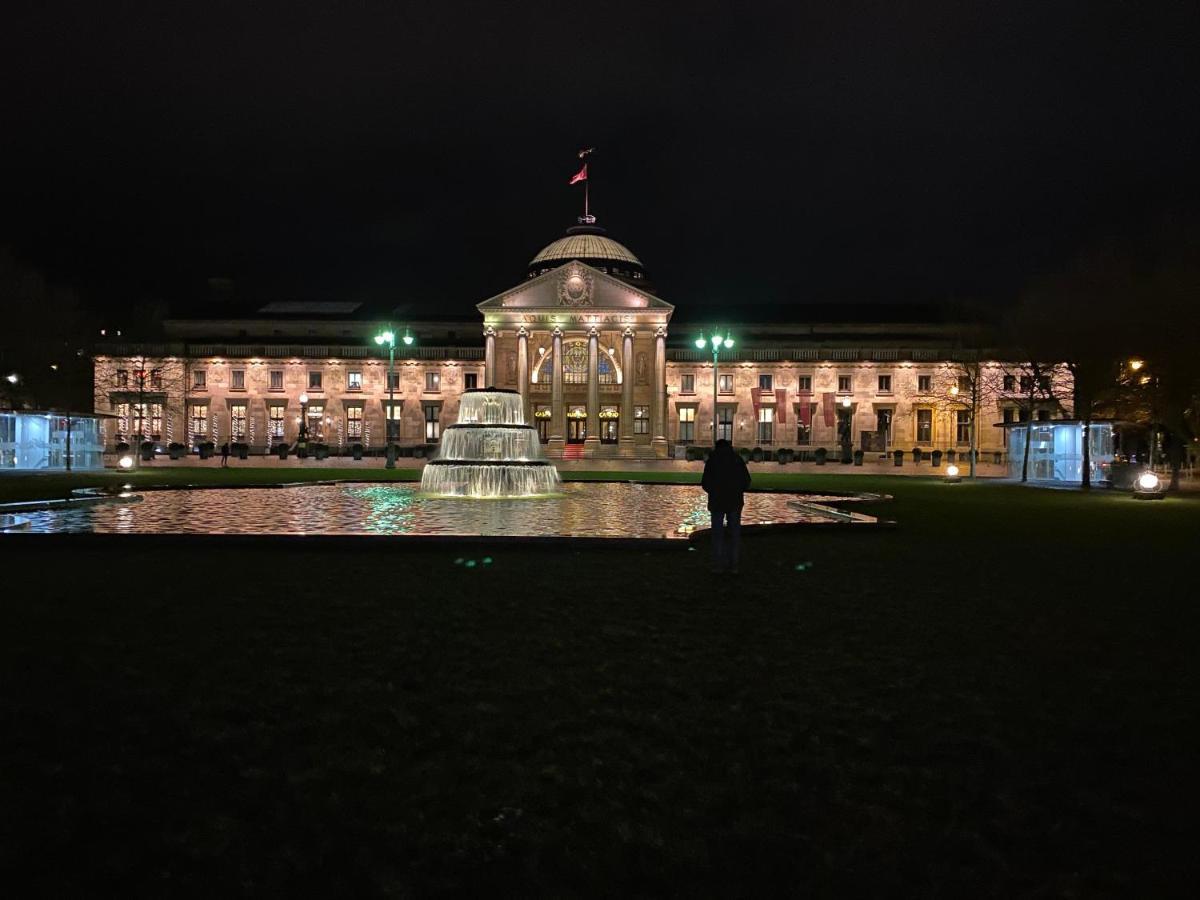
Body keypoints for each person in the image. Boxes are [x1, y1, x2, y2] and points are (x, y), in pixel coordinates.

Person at [701, 439, 751, 574]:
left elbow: (705, 482)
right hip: (734, 502)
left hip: (717, 502)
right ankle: (734, 565)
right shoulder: (737, 460)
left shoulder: (712, 461)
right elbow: (747, 481)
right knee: (734, 534)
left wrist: (714, 492)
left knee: (717, 534)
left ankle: (718, 565)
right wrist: (737, 491)